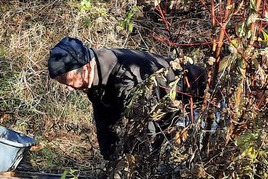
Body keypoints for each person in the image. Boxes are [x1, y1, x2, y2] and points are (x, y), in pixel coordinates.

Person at [47, 36, 206, 161]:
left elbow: (144, 130)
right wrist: (111, 161)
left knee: (177, 161)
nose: (69, 88)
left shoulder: (126, 78)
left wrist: (132, 171)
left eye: (69, 82)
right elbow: (106, 123)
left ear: (86, 67)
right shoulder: (92, 77)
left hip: (199, 99)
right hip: (165, 109)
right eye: (64, 84)